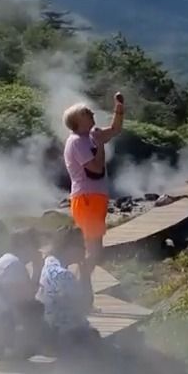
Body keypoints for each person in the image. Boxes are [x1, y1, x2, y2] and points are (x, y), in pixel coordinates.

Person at [62, 92, 124, 283]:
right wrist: (99, 144)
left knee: (95, 249)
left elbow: (115, 130)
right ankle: (76, 289)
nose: (91, 113)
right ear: (77, 121)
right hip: (86, 198)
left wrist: (119, 109)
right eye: (86, 112)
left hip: (95, 197)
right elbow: (96, 169)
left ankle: (80, 291)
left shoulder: (90, 136)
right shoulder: (77, 142)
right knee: (92, 249)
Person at [0, 230, 47, 364]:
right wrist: (37, 269)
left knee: (36, 312)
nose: (37, 249)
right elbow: (26, 300)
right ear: (25, 245)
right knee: (36, 310)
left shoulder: (11, 262)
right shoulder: (11, 264)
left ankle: (12, 350)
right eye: (35, 245)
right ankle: (10, 350)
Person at [36, 227, 100, 355]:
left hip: (49, 328)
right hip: (61, 334)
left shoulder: (49, 263)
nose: (84, 250)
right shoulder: (62, 275)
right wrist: (85, 274)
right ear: (69, 247)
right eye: (81, 245)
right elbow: (86, 306)